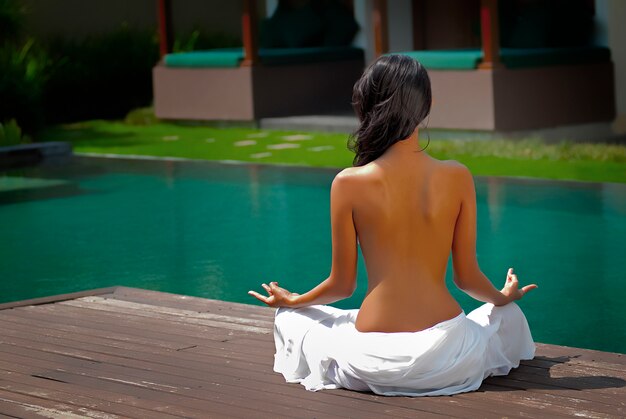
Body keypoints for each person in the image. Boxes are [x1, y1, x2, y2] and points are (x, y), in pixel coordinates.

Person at [248, 54, 538, 397]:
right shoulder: (457, 176)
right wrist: (503, 297)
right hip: (449, 355)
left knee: (291, 320)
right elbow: (466, 278)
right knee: (509, 315)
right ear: (427, 105)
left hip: (371, 357)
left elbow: (341, 286)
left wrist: (296, 300)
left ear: (367, 106)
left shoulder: (348, 183)